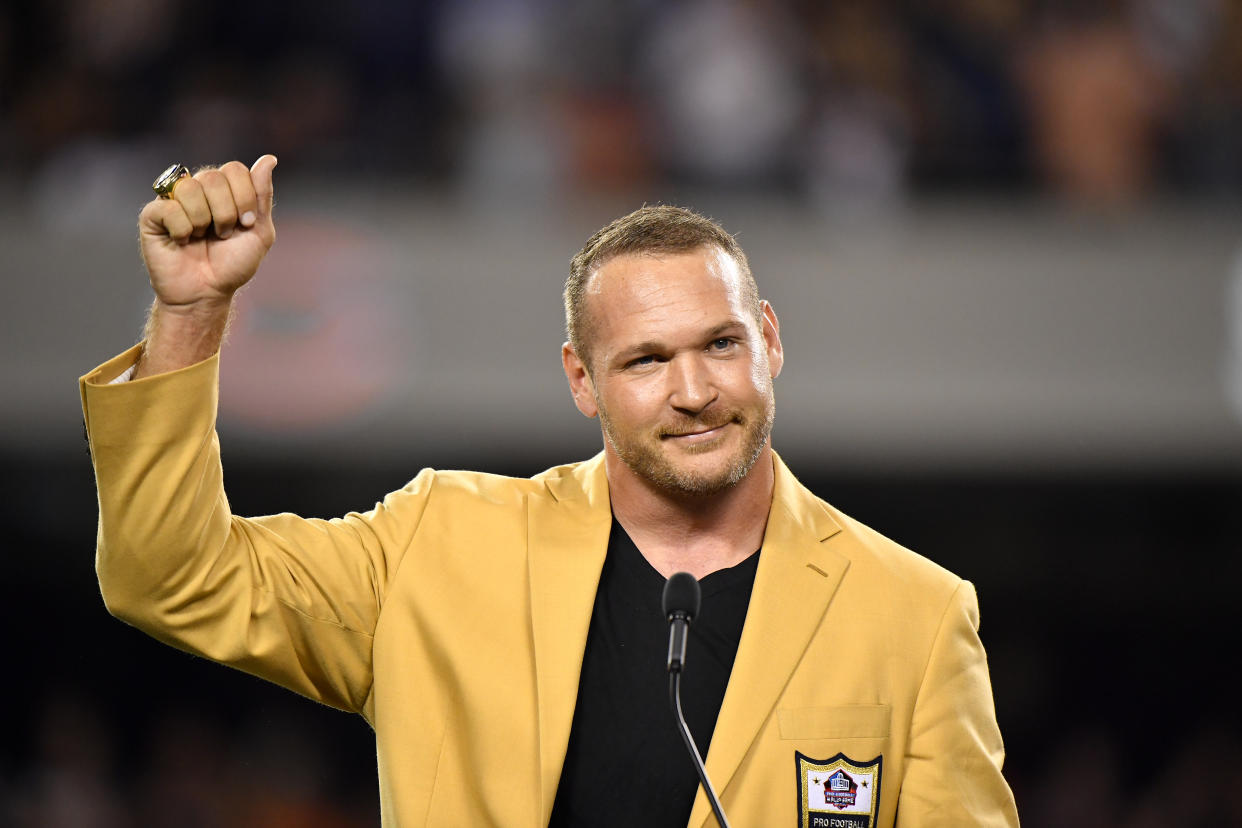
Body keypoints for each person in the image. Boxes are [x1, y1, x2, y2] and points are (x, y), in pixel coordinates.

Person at [81, 156, 1020, 827]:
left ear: (769, 340)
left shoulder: (917, 617)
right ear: (581, 380)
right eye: (646, 360)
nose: (694, 391)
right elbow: (170, 577)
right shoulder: (437, 544)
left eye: (720, 344)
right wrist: (193, 313)